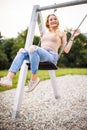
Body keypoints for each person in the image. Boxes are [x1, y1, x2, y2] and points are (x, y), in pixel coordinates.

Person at [0, 14, 80, 92]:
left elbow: (66, 50)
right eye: (51, 19)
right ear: (48, 23)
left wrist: (73, 36)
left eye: (55, 19)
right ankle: (9, 78)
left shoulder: (61, 33)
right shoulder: (44, 33)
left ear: (58, 21)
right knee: (22, 51)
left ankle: (33, 79)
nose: (53, 20)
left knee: (32, 48)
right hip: (41, 54)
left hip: (51, 56)